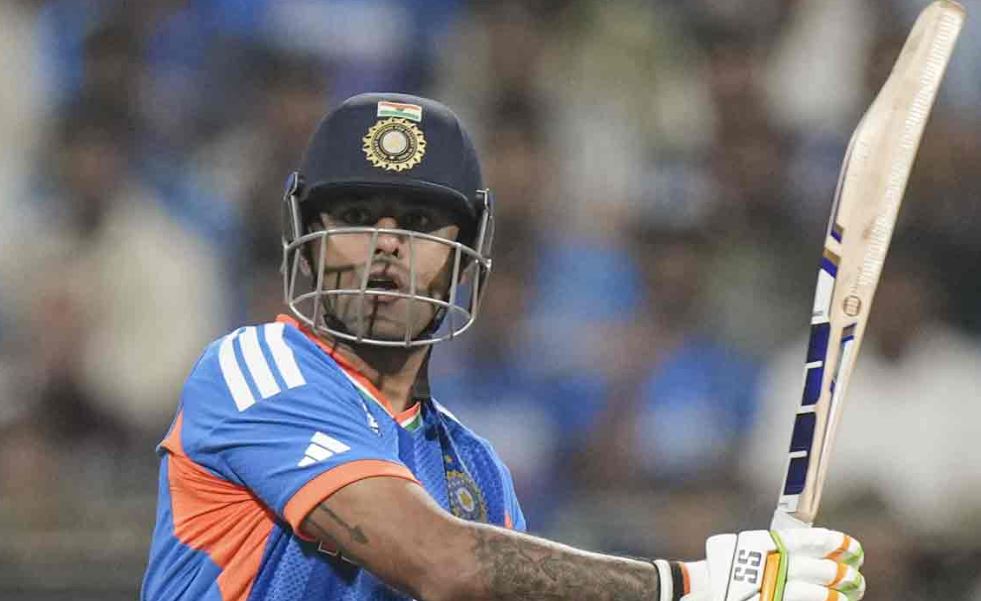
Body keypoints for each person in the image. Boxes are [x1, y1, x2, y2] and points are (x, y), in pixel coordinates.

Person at [141, 93, 867, 601]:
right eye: (357, 215)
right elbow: (441, 561)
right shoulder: (251, 368)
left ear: (465, 260)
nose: (387, 244)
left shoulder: (477, 472)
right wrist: (692, 585)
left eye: (419, 223)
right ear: (308, 242)